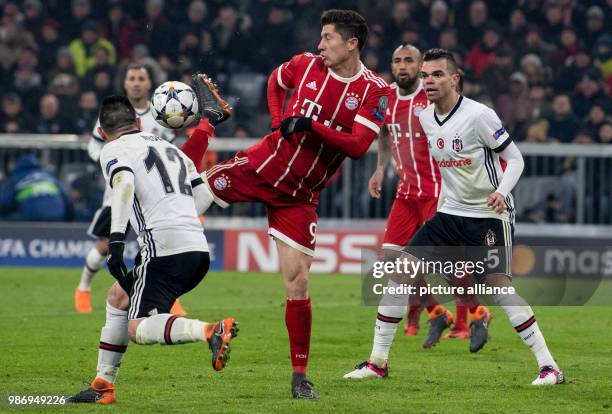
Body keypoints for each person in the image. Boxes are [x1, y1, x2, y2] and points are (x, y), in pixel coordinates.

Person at [192, 9, 391, 399]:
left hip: (301, 195)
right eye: (320, 37)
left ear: (351, 43)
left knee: (297, 281)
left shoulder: (374, 90)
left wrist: (310, 125)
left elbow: (356, 147)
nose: (320, 45)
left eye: (328, 38)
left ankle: (300, 378)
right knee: (189, 195)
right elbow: (274, 80)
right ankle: (145, 283)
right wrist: (277, 120)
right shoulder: (304, 64)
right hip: (264, 164)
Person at [345, 49, 564, 386]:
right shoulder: (426, 118)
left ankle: (549, 367)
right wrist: (384, 168)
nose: (429, 81)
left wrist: (502, 193)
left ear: (454, 78)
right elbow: (398, 139)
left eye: (436, 75)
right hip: (450, 212)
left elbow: (516, 159)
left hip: (489, 214)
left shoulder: (479, 115)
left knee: (499, 287)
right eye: (426, 76)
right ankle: (377, 363)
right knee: (399, 272)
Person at [67, 95, 237, 404]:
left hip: (164, 249)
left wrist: (116, 241)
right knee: (118, 297)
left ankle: (209, 330)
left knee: (137, 327)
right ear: (138, 122)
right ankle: (103, 385)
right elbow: (202, 198)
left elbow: (124, 184)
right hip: (197, 249)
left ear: (103, 132)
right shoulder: (170, 148)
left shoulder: (113, 149)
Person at [366, 44, 489, 351]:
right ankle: (437, 311)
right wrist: (380, 168)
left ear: (421, 66)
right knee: (394, 260)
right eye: (397, 60)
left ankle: (472, 316)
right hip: (406, 195)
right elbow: (384, 133)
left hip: (438, 193)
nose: (402, 66)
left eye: (409, 60)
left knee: (450, 266)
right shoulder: (387, 99)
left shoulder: (432, 98)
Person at [74, 63, 205, 315]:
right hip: (119, 194)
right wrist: (113, 160)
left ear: (149, 84)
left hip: (151, 194)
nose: (135, 82)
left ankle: (165, 294)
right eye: (131, 78)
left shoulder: (161, 115)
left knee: (154, 240)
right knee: (105, 245)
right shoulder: (113, 114)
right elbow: (93, 147)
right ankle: (83, 288)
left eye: (141, 78)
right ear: (125, 83)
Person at [0, 154, 69, 221]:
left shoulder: (16, 178)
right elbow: (67, 201)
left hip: (32, 218)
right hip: (57, 216)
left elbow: (4, 202)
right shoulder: (48, 176)